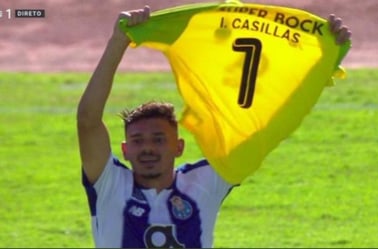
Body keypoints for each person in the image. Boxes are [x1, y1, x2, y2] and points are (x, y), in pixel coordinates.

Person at [77, 5, 351, 248]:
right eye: (138, 141)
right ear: (124, 149)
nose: (148, 147)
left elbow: (266, 121)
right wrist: (118, 42)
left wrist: (320, 61)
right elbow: (88, 121)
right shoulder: (110, 185)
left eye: (159, 139)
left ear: (179, 146)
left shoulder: (204, 182)